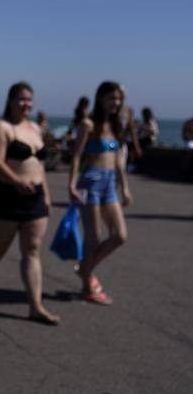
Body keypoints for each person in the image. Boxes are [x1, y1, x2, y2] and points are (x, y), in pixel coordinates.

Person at [0, 82, 59, 325]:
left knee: (32, 249)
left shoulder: (35, 128)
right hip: (7, 194)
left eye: (30, 99)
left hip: (35, 196)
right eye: (22, 99)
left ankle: (36, 306)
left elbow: (40, 165)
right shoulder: (3, 127)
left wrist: (47, 195)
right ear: (11, 100)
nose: (27, 104)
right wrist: (16, 181)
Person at [68, 81, 131, 305]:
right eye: (111, 98)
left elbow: (119, 161)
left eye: (118, 99)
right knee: (92, 239)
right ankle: (87, 286)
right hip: (91, 182)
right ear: (100, 98)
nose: (116, 103)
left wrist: (125, 187)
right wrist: (72, 184)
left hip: (110, 183)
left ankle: (85, 269)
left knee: (120, 236)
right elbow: (76, 156)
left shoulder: (115, 125)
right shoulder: (88, 124)